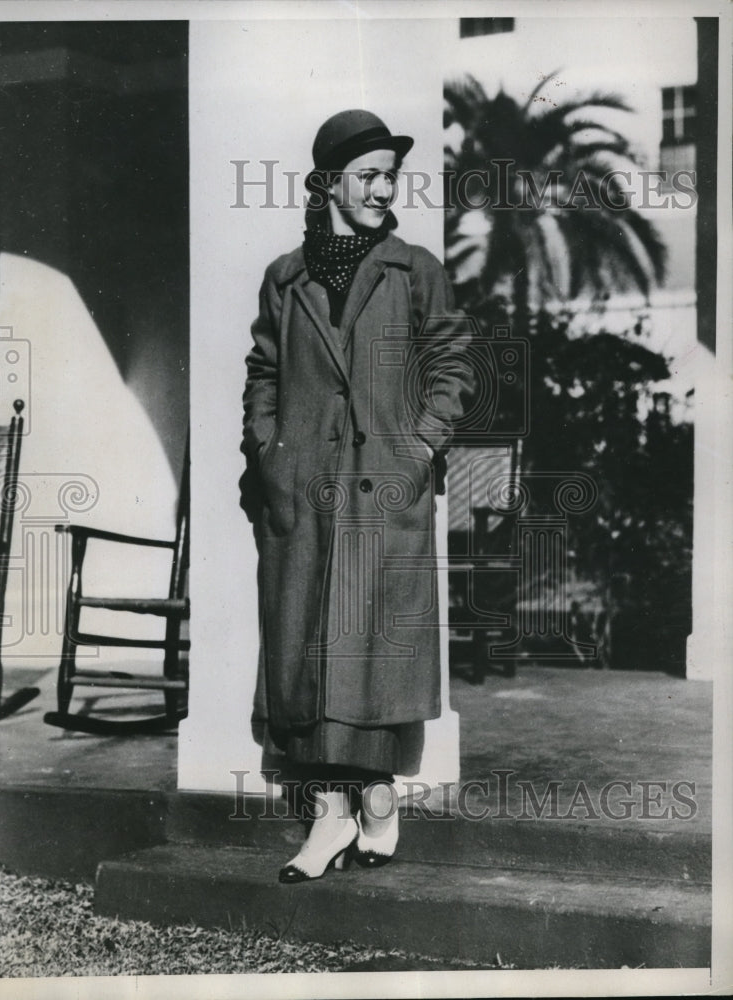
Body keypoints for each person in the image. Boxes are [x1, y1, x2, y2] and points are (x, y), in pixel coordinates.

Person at [241, 109, 474, 883]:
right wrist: (270, 452)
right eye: (368, 175)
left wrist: (419, 449)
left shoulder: (416, 270)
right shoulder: (286, 276)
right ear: (330, 182)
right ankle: (332, 815)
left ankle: (373, 800)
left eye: (390, 176)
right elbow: (264, 371)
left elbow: (452, 364)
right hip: (303, 493)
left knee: (370, 654)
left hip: (384, 489)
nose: (383, 189)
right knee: (306, 651)